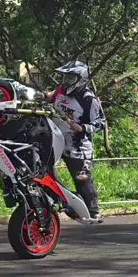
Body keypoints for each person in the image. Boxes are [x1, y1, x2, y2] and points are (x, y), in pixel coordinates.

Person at [48, 60, 105, 222]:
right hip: (56, 139)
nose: (66, 81)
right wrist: (45, 97)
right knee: (45, 170)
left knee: (82, 179)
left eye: (70, 78)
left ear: (80, 78)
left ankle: (93, 211)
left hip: (78, 146)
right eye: (65, 77)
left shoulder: (88, 99)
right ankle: (61, 201)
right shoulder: (60, 90)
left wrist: (82, 128)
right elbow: (50, 99)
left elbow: (101, 123)